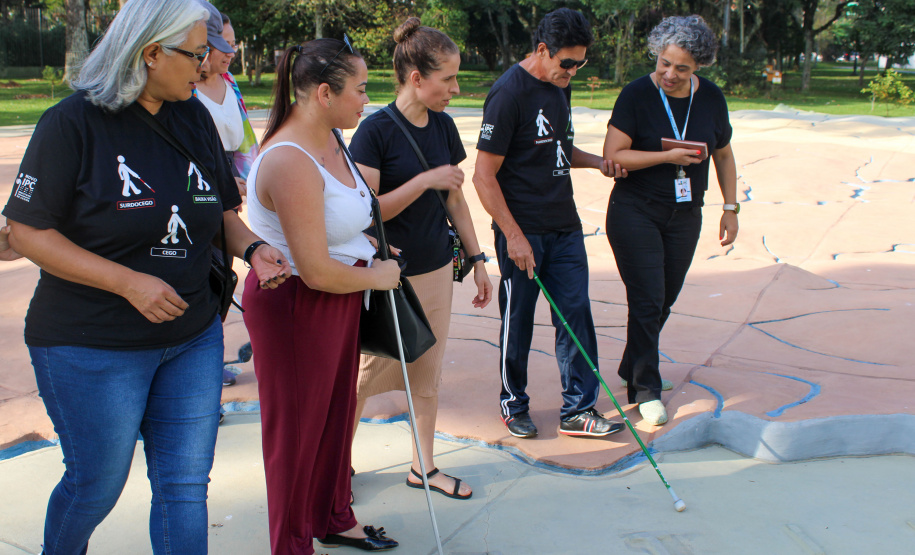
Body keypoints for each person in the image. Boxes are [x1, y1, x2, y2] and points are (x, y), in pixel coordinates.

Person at [0, 1, 290, 553]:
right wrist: (127, 282)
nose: (209, 66)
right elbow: (27, 232)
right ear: (150, 53)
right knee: (96, 485)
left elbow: (220, 212)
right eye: (197, 53)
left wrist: (253, 248)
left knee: (183, 489)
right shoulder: (71, 123)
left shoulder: (195, 116)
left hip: (192, 337)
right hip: (91, 344)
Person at [241, 38, 401, 554]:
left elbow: (340, 221)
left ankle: (333, 515)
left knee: (334, 416)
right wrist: (378, 276)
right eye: (360, 89)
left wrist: (370, 245)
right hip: (297, 304)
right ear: (325, 93)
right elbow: (312, 269)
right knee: (295, 435)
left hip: (342, 295)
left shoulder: (334, 138)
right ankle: (290, 545)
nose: (366, 100)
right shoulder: (289, 157)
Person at [349, 17, 492, 501]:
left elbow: (456, 200)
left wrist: (478, 260)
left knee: (428, 370)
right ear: (416, 78)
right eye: (447, 78)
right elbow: (366, 213)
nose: (455, 88)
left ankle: (424, 467)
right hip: (388, 275)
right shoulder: (375, 132)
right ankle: (335, 466)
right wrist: (423, 181)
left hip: (435, 270)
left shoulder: (445, 127)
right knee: (364, 374)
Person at [472, 7, 625, 440]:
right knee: (518, 318)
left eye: (581, 63)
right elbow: (483, 177)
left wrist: (598, 163)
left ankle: (578, 409)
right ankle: (512, 402)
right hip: (523, 230)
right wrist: (514, 236)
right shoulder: (508, 94)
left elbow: (560, 147)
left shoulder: (561, 86)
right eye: (567, 62)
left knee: (576, 311)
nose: (574, 71)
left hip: (564, 224)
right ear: (542, 50)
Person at [602, 15, 738, 426]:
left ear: (698, 66)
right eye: (664, 63)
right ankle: (645, 388)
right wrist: (666, 157)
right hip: (635, 210)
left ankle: (632, 364)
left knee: (664, 298)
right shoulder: (637, 94)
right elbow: (613, 155)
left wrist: (730, 208)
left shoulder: (711, 98)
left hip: (685, 213)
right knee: (646, 298)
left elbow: (725, 155)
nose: (669, 74)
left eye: (681, 68)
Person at [193, 1, 260, 388]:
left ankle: (207, 367)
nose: (230, 51)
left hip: (226, 202)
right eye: (221, 44)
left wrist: (247, 184)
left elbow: (244, 144)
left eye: (232, 43)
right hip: (198, 201)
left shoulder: (230, 84)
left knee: (220, 280)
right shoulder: (182, 94)